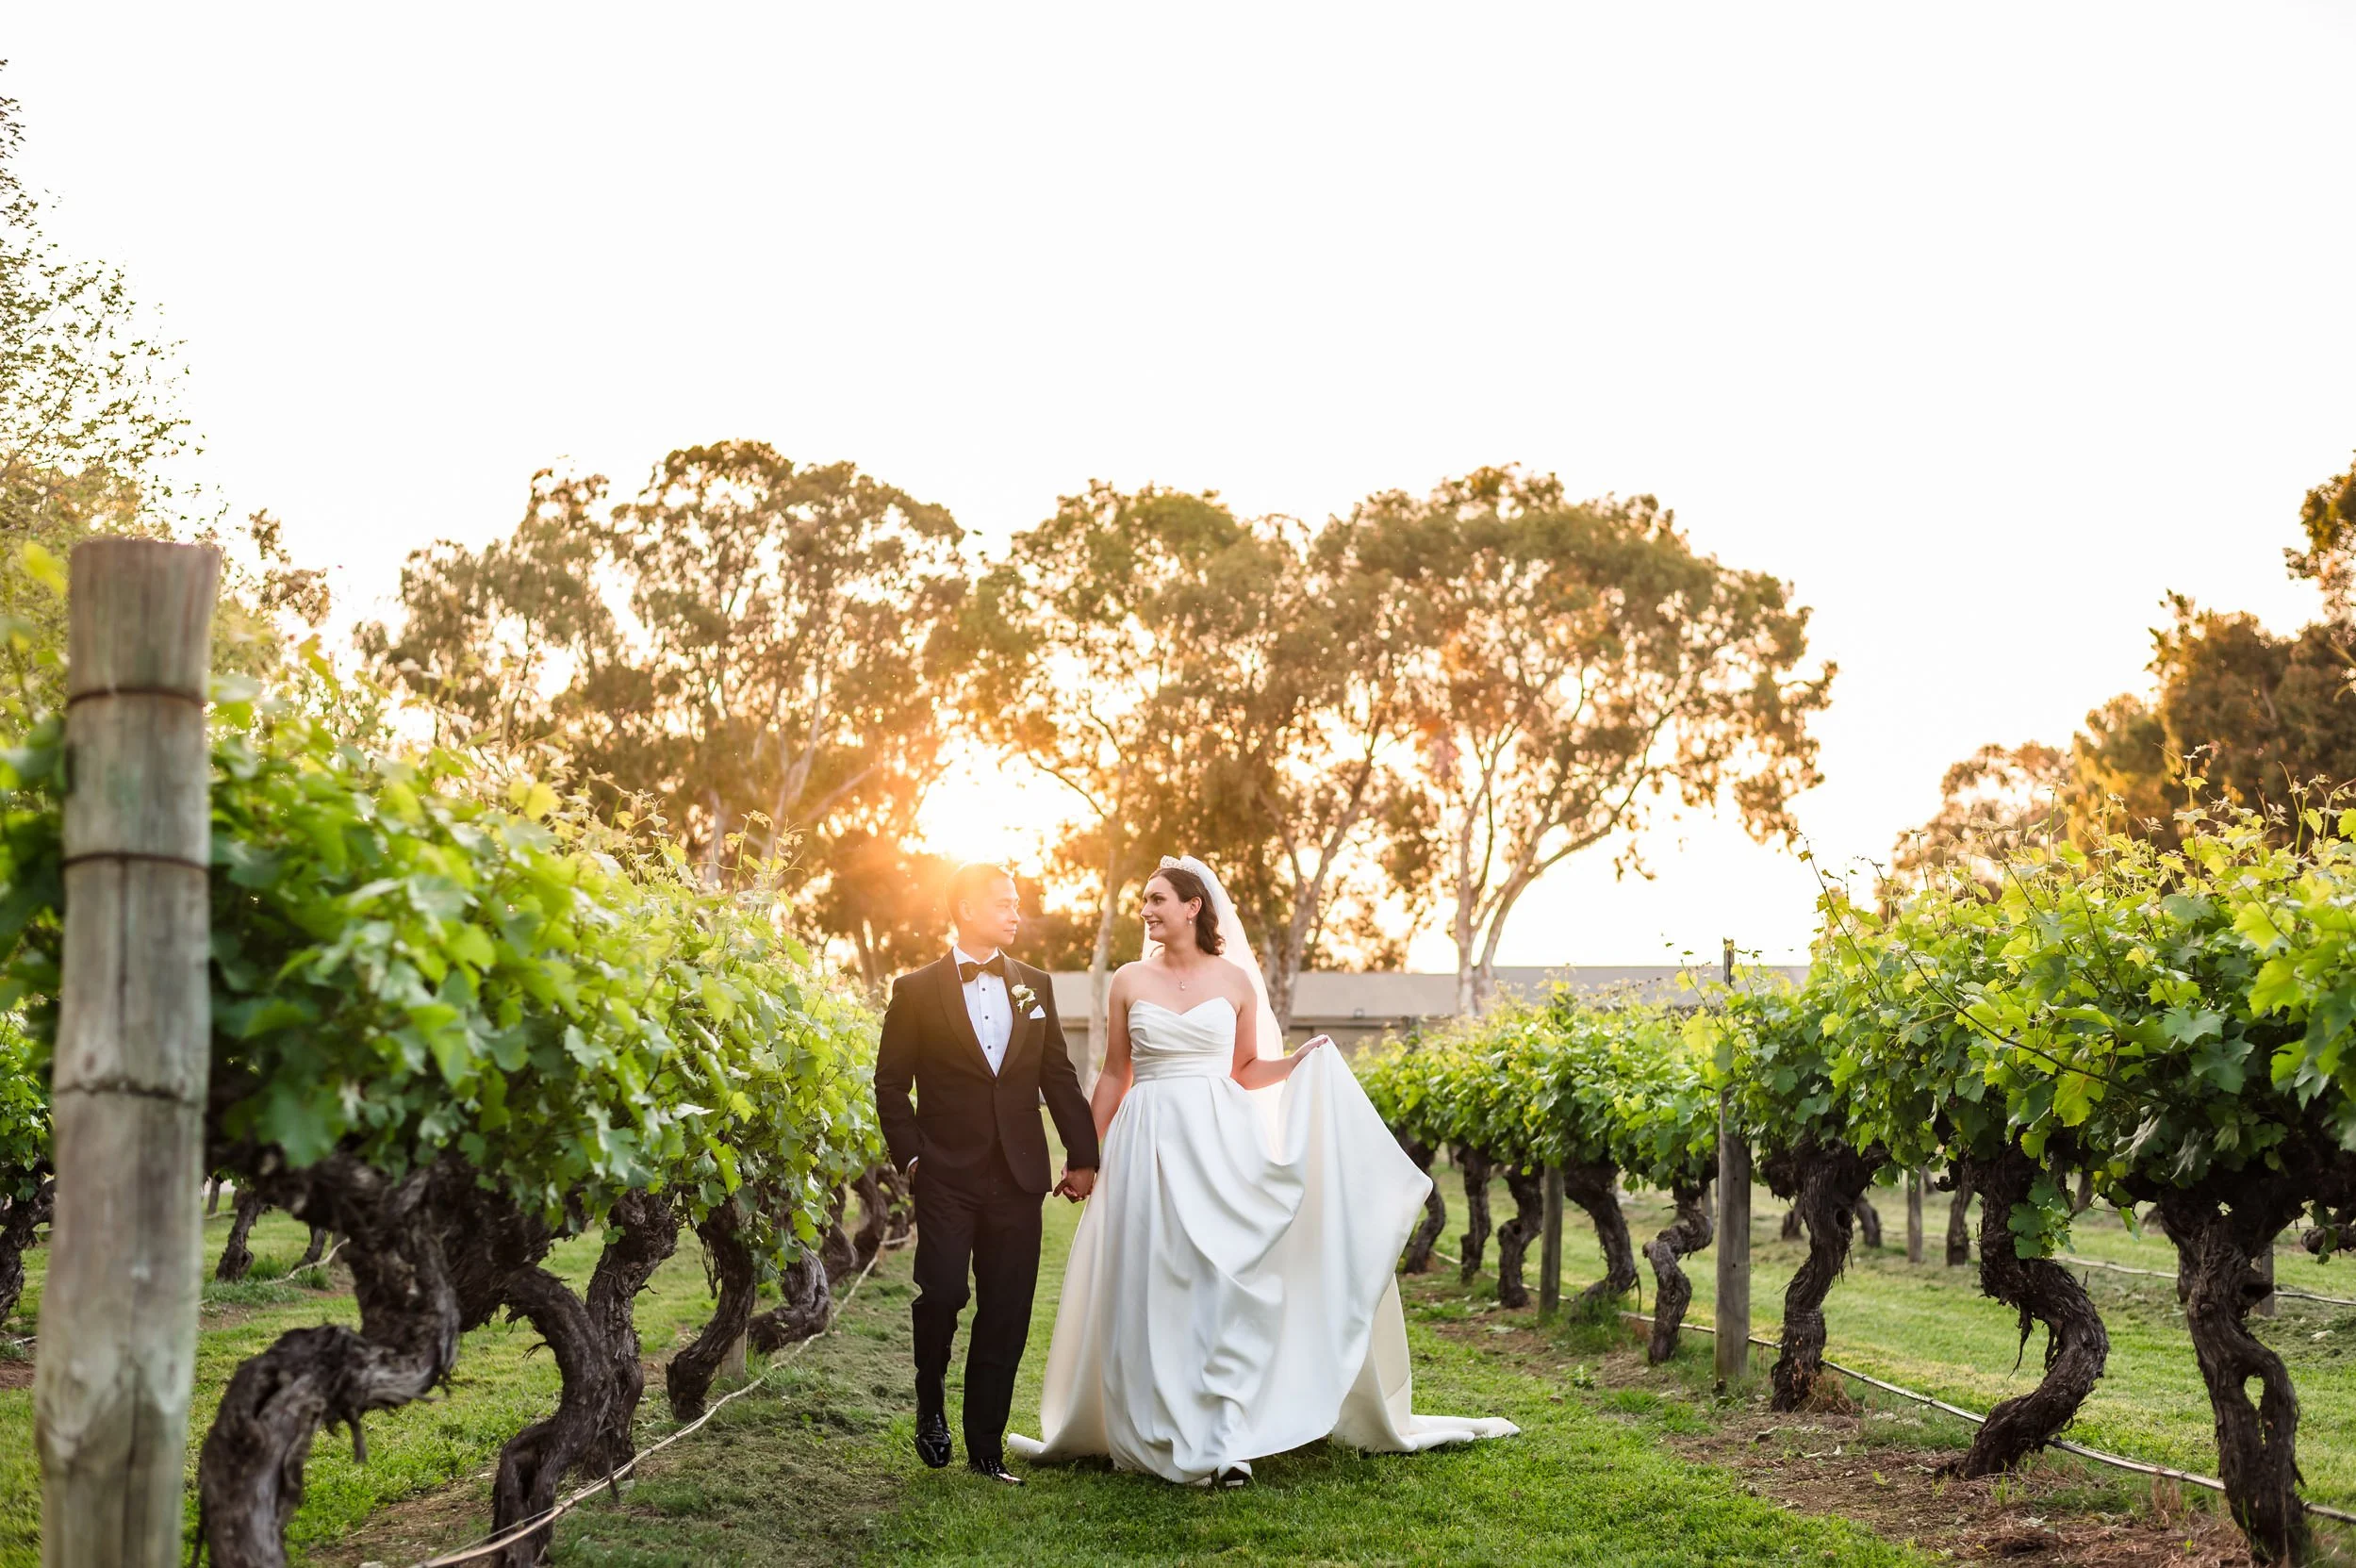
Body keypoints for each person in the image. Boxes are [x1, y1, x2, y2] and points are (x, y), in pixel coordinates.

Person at [1010, 855, 1517, 1486]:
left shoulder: (1235, 981)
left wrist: (1297, 1063)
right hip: (1147, 1141)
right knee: (1150, 1280)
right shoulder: (1128, 980)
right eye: (1144, 900)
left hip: (1220, 1141)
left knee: (1219, 1281)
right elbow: (1116, 1072)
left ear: (1193, 906)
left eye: (1157, 899)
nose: (1145, 910)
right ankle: (1153, 1423)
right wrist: (1084, 1154)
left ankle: (1224, 1435)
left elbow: (1245, 1070)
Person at [873, 862, 1099, 1484]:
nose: (1015, 913)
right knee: (944, 1293)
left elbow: (1057, 1075)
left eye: (1016, 903)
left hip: (1019, 1177)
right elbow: (890, 1084)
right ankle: (929, 1405)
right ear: (967, 909)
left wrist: (1083, 1155)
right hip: (945, 1173)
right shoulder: (915, 989)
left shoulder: (1035, 985)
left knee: (1007, 1309)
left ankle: (985, 1447)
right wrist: (913, 1158)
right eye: (1003, 903)